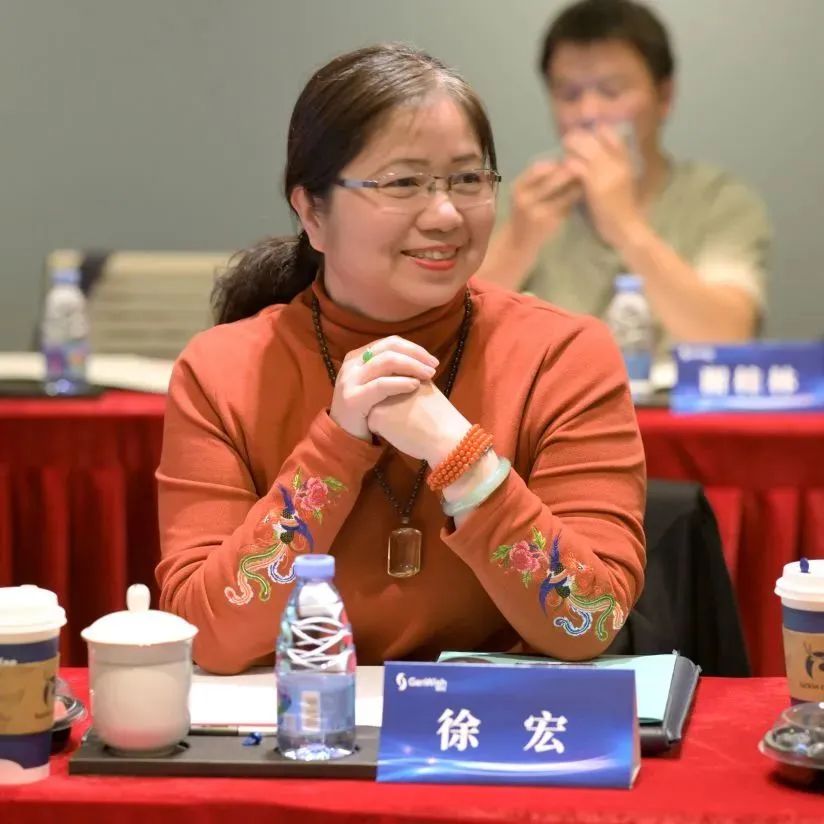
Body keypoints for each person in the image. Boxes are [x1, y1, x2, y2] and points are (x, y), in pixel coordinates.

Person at [155, 43, 646, 675]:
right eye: (403, 182)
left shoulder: (564, 356)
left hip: (487, 726)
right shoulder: (221, 371)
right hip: (307, 721)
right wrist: (336, 446)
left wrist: (461, 459)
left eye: (468, 179)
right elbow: (207, 634)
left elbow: (590, 620)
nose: (444, 214)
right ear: (312, 212)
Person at [477, 0, 771, 351]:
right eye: (569, 95)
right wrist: (517, 244)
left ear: (664, 96)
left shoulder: (719, 201)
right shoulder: (520, 205)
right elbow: (450, 335)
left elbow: (730, 336)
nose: (588, 113)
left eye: (611, 91)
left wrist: (625, 225)